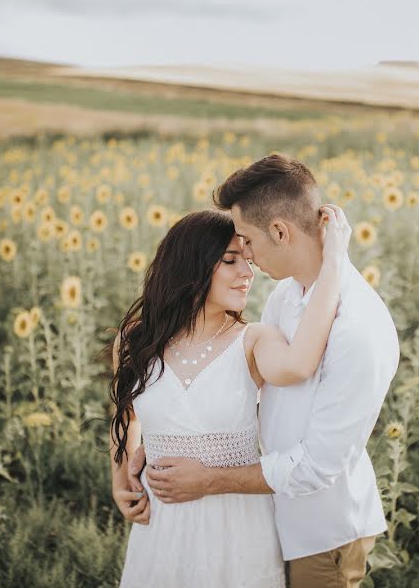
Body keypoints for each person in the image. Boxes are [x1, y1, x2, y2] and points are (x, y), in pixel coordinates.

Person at [131, 153, 401, 588]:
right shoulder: (287, 296)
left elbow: (315, 466)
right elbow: (237, 381)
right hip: (268, 518)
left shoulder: (359, 329)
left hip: (320, 533)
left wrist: (207, 479)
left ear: (279, 231)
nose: (249, 262)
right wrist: (165, 438)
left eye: (247, 243)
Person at [107, 204, 352, 587]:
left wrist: (334, 262)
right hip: (162, 528)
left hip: (236, 528)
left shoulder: (254, 340)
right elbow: (127, 413)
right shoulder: (137, 339)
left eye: (247, 259)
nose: (247, 273)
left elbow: (299, 364)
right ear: (192, 265)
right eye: (230, 260)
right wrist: (120, 478)